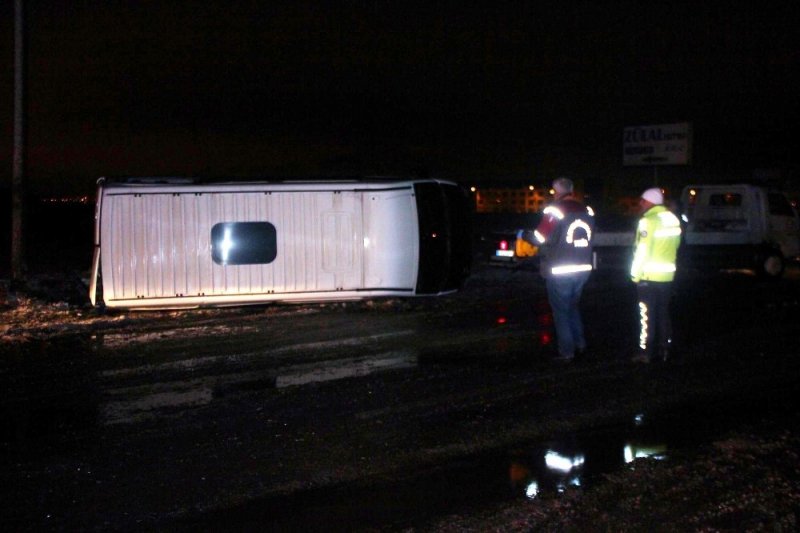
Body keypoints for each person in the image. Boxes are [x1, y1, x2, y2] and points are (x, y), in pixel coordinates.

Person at [534, 177, 595, 362]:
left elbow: (540, 237)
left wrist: (523, 236)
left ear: (557, 191)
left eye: (553, 191)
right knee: (573, 307)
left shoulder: (556, 209)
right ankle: (580, 344)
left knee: (561, 312)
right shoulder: (586, 210)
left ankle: (567, 352)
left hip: (561, 270)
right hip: (583, 268)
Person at [630, 187, 682, 363]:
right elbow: (676, 246)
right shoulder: (673, 219)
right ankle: (665, 348)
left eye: (642, 201)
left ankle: (645, 352)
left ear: (650, 201)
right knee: (663, 313)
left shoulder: (647, 221)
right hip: (667, 277)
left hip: (649, 277)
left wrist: (635, 275)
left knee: (646, 316)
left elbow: (642, 250)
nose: (640, 204)